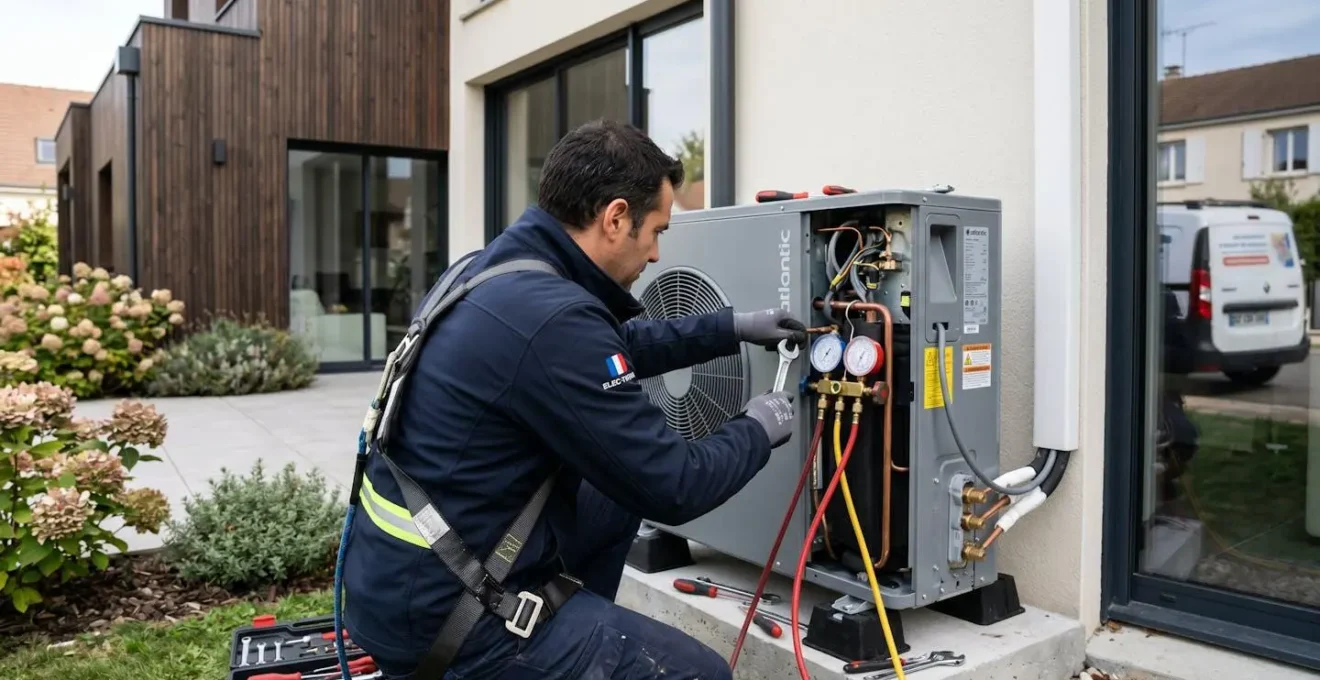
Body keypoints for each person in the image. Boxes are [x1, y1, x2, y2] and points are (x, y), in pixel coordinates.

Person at [341, 118, 805, 680]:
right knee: (701, 674)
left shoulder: (493, 271)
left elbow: (612, 344)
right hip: (449, 619)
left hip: (397, 581)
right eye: (656, 231)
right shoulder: (550, 315)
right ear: (614, 218)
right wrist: (758, 427)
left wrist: (732, 326)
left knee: (613, 492)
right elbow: (674, 485)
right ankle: (554, 647)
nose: (658, 254)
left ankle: (581, 628)